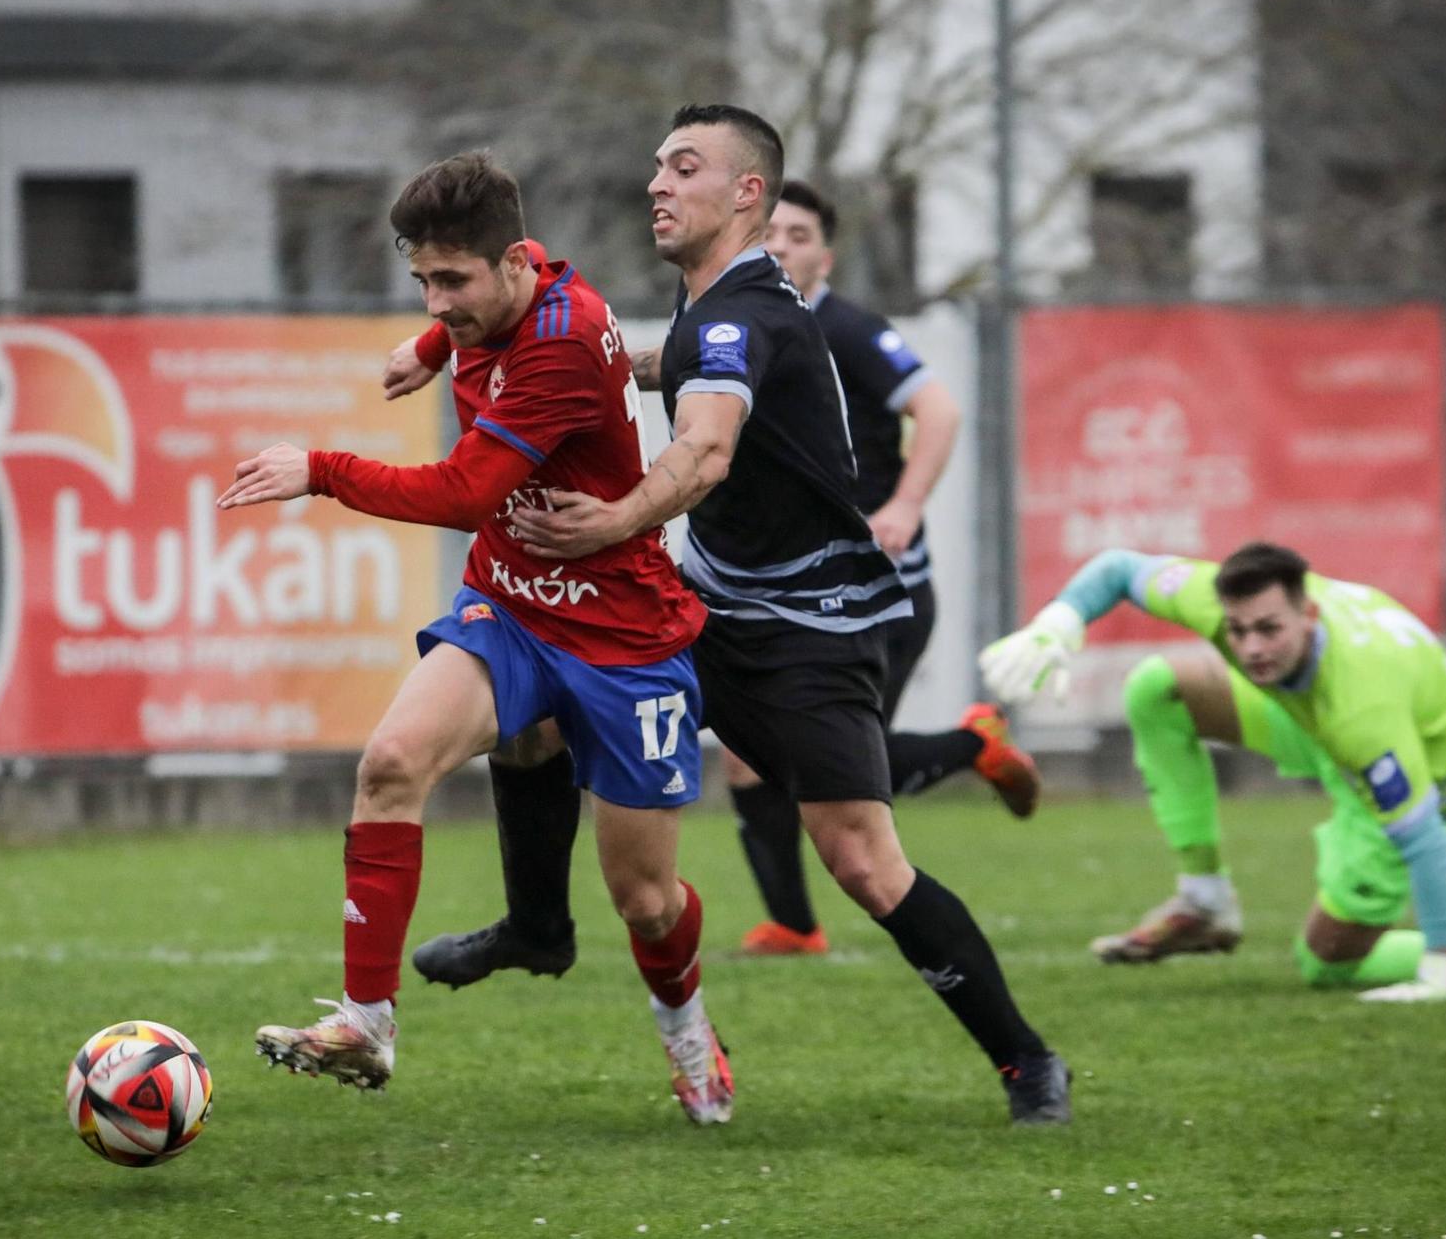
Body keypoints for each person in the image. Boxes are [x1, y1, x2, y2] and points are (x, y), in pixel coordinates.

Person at [415, 104, 1071, 1125]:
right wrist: (453, 334)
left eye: (683, 167)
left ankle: (1025, 1061)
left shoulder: (739, 315)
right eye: (655, 166)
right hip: (710, 611)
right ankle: (536, 927)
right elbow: (622, 350)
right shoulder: (712, 309)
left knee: (858, 857)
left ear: (747, 195)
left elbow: (704, 451)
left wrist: (616, 519)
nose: (656, 185)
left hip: (814, 634)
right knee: (534, 695)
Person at [217, 152, 735, 1124]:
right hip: (511, 605)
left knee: (645, 900)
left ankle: (687, 1030)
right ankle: (366, 1022)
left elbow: (461, 492)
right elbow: (489, 292)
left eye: (451, 283)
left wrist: (318, 467)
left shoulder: (561, 343)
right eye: (421, 280)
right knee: (391, 763)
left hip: (623, 631)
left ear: (509, 269)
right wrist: (431, 343)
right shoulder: (513, 277)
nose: (437, 298)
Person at [980, 542, 1446, 1002]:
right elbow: (1120, 568)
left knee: (1326, 963)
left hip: (1428, 763)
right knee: (1157, 689)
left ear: (1310, 616)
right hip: (1308, 716)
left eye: (1269, 630)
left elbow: (1428, 843)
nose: (1251, 649)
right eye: (1239, 630)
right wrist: (1059, 623)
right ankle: (1204, 898)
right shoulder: (1223, 604)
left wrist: (1439, 969)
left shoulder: (1362, 711)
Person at [722, 178, 1037, 957]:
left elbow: (940, 410)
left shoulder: (849, 329)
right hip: (796, 592)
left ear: (824, 257)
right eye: (772, 234)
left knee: (836, 770)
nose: (783, 248)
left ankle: (975, 744)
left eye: (799, 236)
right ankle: (794, 925)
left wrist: (902, 504)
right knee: (747, 753)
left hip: (877, 593)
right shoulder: (749, 324)